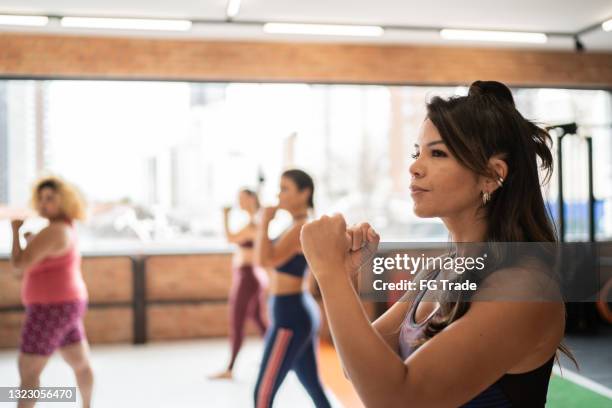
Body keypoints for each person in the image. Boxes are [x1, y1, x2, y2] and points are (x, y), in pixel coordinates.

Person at [300, 81, 574, 407]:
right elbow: (358, 371)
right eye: (417, 152)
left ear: (491, 176)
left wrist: (328, 272)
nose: (414, 167)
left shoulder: (526, 288)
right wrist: (344, 278)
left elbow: (397, 399)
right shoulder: (437, 271)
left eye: (437, 153)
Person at [10, 176, 93, 408]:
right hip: (67, 304)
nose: (44, 204)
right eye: (41, 198)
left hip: (50, 308)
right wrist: (30, 242)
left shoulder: (55, 231)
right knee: (79, 360)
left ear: (64, 202)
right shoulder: (62, 229)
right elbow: (27, 267)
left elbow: (18, 265)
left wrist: (15, 231)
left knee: (28, 371)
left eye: (51, 199)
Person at [253, 169, 331, 408]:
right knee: (314, 388)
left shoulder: (301, 227)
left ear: (304, 192)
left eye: (285, 189)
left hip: (291, 314)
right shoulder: (296, 225)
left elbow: (263, 261)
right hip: (294, 310)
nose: (279, 195)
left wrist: (264, 221)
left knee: (262, 395)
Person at [210, 188, 268, 380]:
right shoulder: (254, 222)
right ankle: (275, 355)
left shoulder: (254, 224)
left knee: (237, 320)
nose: (239, 202)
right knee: (258, 320)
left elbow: (230, 238)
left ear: (252, 199)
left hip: (248, 277)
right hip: (248, 276)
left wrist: (225, 217)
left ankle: (230, 368)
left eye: (242, 198)